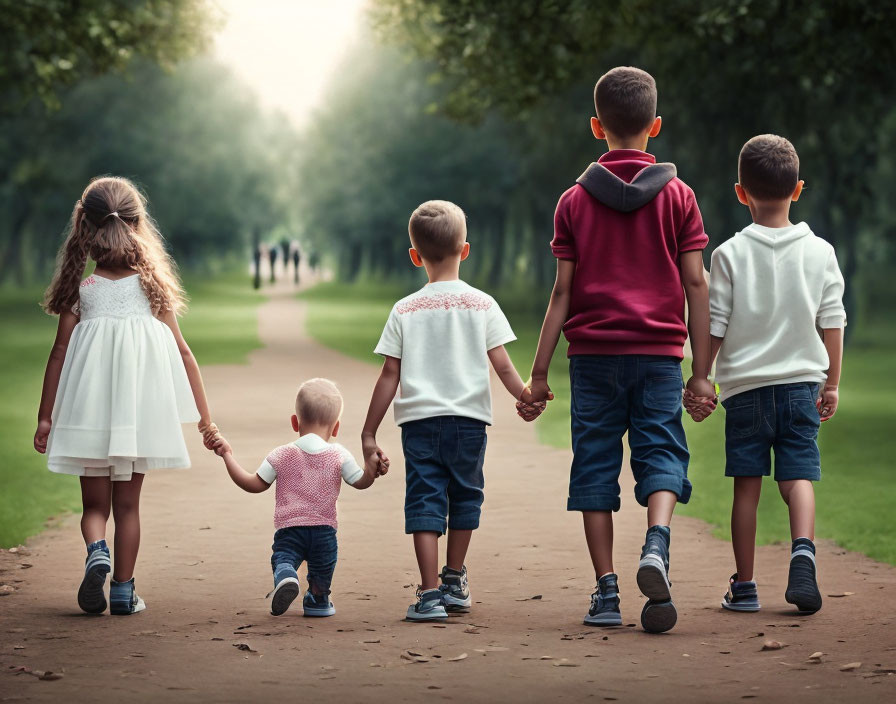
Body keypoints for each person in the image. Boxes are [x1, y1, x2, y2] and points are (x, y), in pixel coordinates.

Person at [525, 67, 713, 633]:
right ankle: (656, 541)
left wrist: (538, 374)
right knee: (661, 452)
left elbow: (562, 292)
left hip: (593, 359)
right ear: (654, 126)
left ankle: (606, 592)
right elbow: (696, 285)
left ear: (595, 126)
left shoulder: (573, 201)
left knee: (596, 466)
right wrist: (701, 373)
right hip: (659, 357)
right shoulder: (679, 196)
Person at [34, 176, 220, 615]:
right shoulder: (152, 289)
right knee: (129, 506)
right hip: (137, 418)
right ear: (137, 225)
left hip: (88, 414)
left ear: (85, 227)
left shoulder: (82, 292)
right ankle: (123, 590)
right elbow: (184, 352)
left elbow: (58, 355)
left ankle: (96, 548)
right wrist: (205, 420)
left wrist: (46, 418)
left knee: (94, 506)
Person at [361, 200, 545, 622]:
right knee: (465, 494)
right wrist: (525, 395)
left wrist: (369, 432)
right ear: (466, 250)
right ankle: (454, 578)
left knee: (424, 501)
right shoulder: (482, 304)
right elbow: (501, 363)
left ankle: (428, 594)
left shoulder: (404, 309)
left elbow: (389, 374)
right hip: (469, 424)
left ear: (415, 256)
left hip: (420, 424)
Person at [685, 134, 845, 615]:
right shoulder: (821, 251)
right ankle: (803, 554)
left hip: (747, 393)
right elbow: (832, 320)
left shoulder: (729, 254)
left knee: (747, 488)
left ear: (741, 192)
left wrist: (703, 377)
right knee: (798, 479)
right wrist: (832, 382)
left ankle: (746, 585)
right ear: (798, 189)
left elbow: (715, 325)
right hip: (800, 389)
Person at [212, 378, 386, 616]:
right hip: (324, 531)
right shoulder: (339, 454)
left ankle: (286, 575)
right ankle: (318, 599)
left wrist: (227, 455)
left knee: (283, 558)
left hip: (289, 529)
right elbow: (361, 482)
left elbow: (252, 484)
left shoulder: (281, 454)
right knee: (322, 568)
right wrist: (371, 468)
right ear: (336, 428)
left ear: (295, 422)